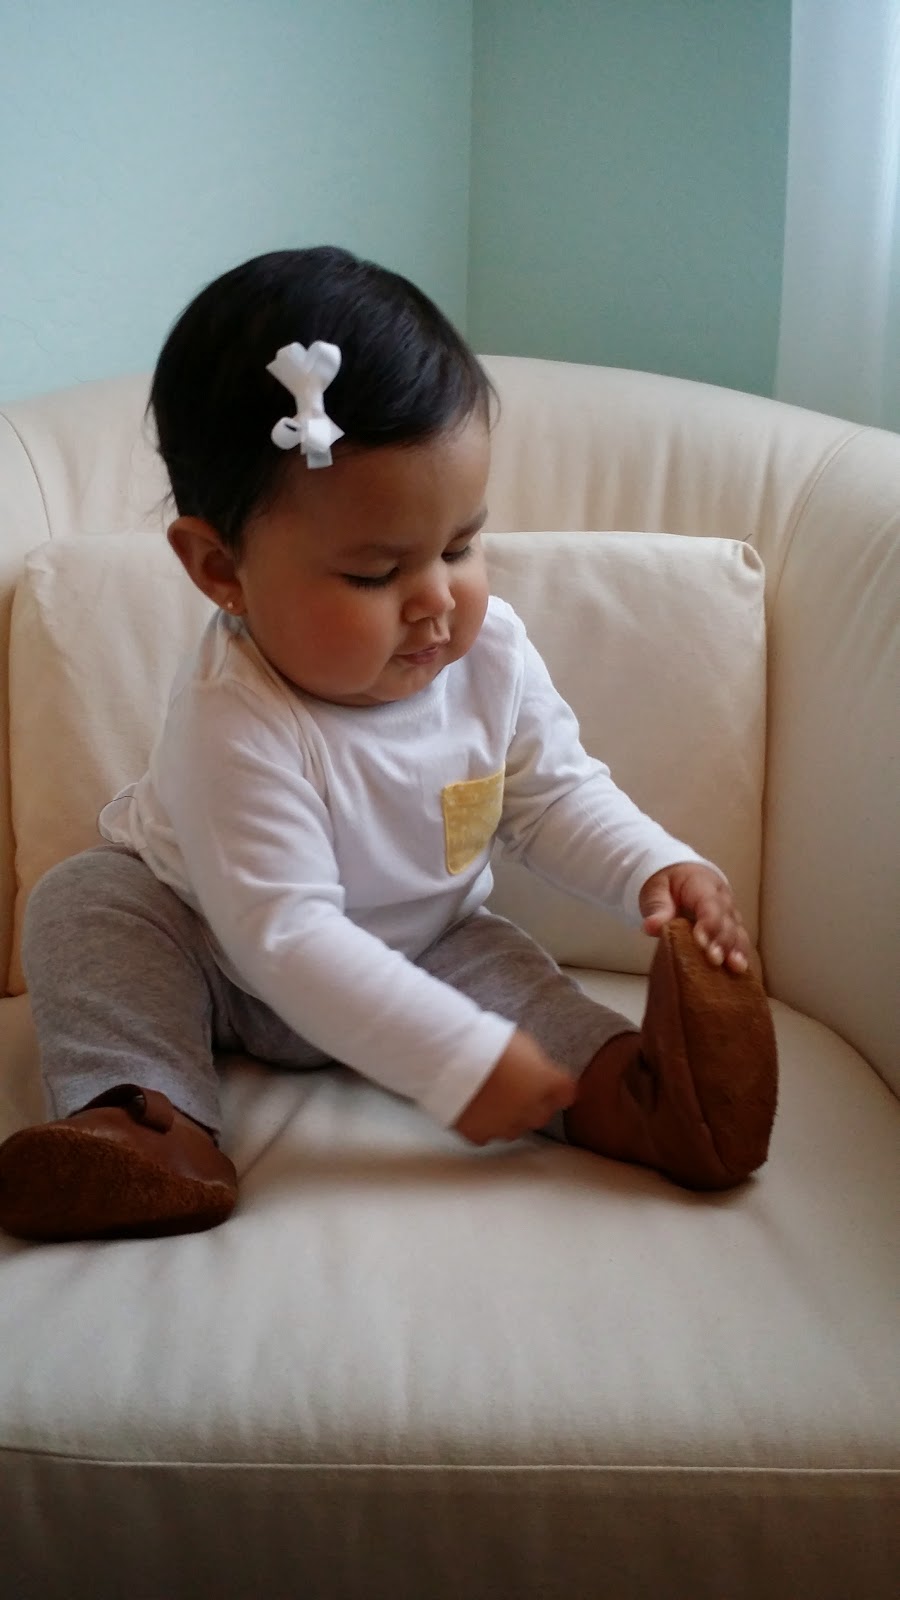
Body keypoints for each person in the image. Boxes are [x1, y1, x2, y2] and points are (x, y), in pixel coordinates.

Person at [0, 247, 777, 1243]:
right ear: (219, 568)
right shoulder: (232, 720)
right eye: (375, 574)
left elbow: (554, 796)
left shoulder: (488, 654)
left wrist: (654, 869)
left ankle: (649, 1099)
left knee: (519, 984)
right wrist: (456, 1061)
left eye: (459, 546)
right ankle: (149, 1122)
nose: (437, 600)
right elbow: (286, 938)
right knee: (86, 902)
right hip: (214, 954)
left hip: (430, 945)